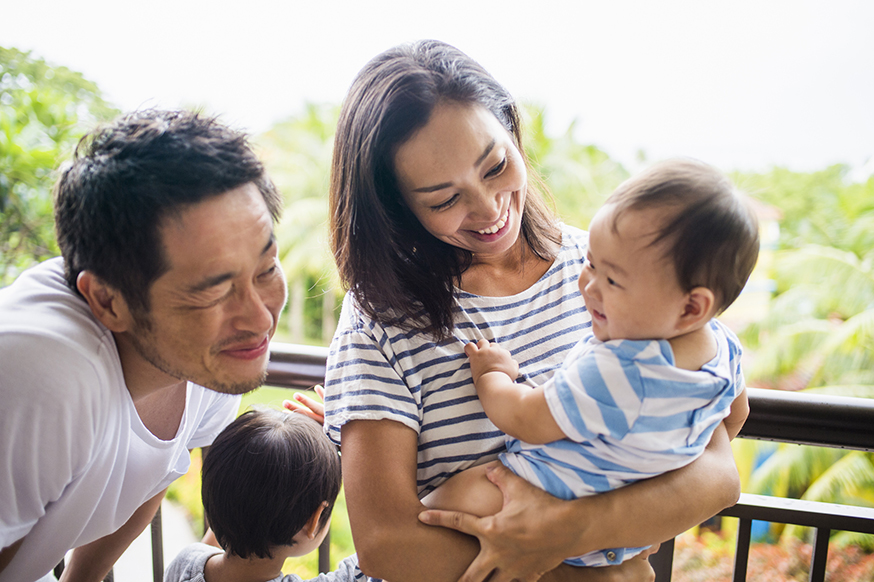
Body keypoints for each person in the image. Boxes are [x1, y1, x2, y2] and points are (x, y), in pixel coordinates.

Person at [322, 40, 744, 582]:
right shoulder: (380, 322)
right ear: (396, 206)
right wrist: (588, 578)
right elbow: (388, 545)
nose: (488, 208)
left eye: (495, 165)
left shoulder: (615, 269)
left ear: (512, 132)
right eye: (443, 199)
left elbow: (716, 471)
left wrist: (579, 529)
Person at [424, 159, 756, 568]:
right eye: (591, 262)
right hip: (629, 525)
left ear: (691, 307)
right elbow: (734, 416)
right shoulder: (726, 348)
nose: (588, 285)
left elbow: (526, 418)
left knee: (437, 508)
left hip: (550, 493)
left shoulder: (618, 371)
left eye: (612, 280)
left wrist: (493, 374)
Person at [0, 109, 287, 582]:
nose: (259, 318)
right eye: (213, 291)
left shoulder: (213, 362)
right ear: (108, 301)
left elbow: (156, 474)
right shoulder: (46, 377)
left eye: (266, 269)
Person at [164, 407, 359, 582]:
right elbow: (380, 554)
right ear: (313, 521)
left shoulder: (186, 564)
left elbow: (206, 549)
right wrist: (358, 443)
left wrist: (235, 494)